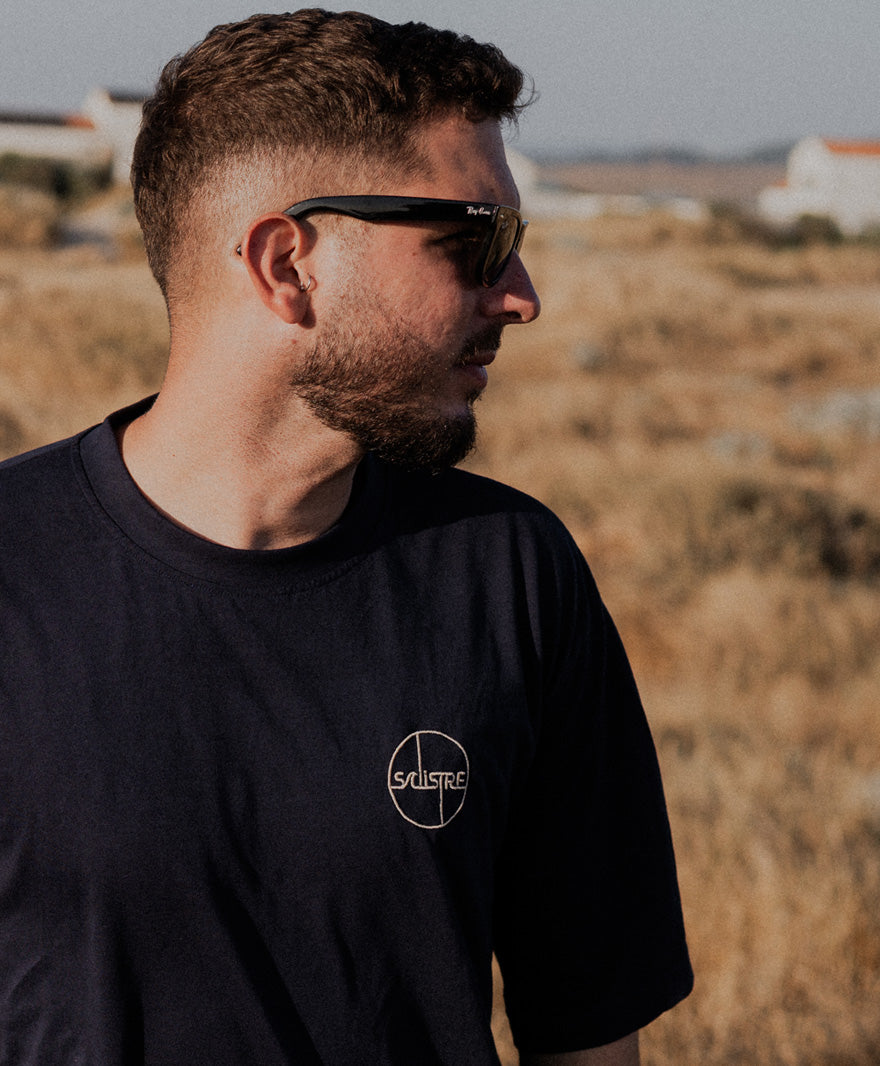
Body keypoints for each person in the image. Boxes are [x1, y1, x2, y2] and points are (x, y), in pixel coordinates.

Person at [0, 10, 692, 1065]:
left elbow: (589, 1032)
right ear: (286, 264)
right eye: (473, 241)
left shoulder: (510, 573)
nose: (520, 296)